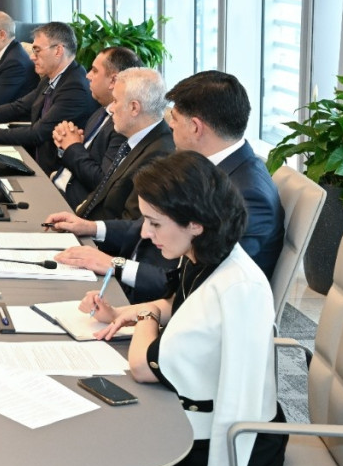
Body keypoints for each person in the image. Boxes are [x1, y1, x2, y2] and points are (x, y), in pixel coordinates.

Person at [36, 151, 285, 466]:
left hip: (237, 441)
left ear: (195, 223)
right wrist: (124, 312)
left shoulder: (237, 285)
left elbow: (142, 365)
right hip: (198, 414)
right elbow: (175, 302)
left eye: (155, 223)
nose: (147, 234)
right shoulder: (207, 253)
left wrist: (145, 317)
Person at [48, 71, 285, 302]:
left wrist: (114, 264)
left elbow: (197, 282)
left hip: (158, 303)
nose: (169, 125)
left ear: (195, 127)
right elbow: (145, 225)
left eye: (175, 119)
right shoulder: (205, 164)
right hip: (136, 279)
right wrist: (91, 227)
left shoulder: (248, 195)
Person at [0, 21, 98, 174]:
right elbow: (19, 107)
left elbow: (38, 133)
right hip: (36, 160)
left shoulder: (74, 88)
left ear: (58, 50)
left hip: (52, 173)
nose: (32, 57)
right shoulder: (53, 77)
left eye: (37, 51)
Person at [70, 67, 174, 221]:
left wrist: (87, 227)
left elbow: (132, 221)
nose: (111, 109)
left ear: (134, 108)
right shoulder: (135, 137)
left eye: (115, 101)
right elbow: (103, 191)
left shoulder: (159, 155)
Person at [50, 47, 142, 206]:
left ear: (113, 80)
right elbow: (80, 157)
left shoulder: (123, 126)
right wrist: (64, 144)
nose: (88, 75)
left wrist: (72, 146)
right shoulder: (100, 111)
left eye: (94, 71)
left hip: (73, 205)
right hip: (57, 187)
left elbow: (102, 182)